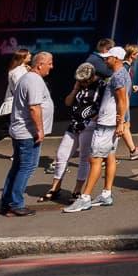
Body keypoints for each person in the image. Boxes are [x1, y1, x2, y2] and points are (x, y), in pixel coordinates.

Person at [64, 47, 129, 213]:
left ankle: (85, 198)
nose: (105, 61)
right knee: (110, 157)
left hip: (107, 125)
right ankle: (106, 194)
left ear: (116, 58)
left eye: (108, 58)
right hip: (110, 123)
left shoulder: (118, 76)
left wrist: (121, 122)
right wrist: (122, 122)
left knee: (94, 159)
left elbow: (122, 100)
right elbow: (124, 100)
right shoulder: (121, 74)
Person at [0, 52, 53, 217]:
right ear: (40, 64)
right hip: (28, 133)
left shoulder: (28, 78)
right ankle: (16, 204)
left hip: (22, 131)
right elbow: (34, 107)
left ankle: (7, 203)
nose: (51, 66)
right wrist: (40, 130)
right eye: (49, 63)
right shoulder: (34, 80)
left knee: (18, 167)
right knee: (27, 167)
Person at [42, 62, 101, 204]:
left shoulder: (101, 85)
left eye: (85, 81)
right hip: (74, 124)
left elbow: (103, 106)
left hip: (89, 125)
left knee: (83, 158)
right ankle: (55, 188)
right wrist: (75, 89)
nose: (83, 83)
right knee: (61, 154)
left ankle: (77, 190)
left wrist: (93, 119)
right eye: (81, 81)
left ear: (92, 76)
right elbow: (68, 102)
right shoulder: (79, 85)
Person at [115, 43, 138, 159]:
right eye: (136, 53)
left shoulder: (128, 67)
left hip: (125, 101)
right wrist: (125, 104)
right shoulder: (124, 68)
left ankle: (132, 150)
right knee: (123, 126)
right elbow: (121, 88)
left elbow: (125, 85)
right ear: (131, 55)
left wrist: (132, 87)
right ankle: (131, 151)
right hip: (123, 102)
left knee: (124, 126)